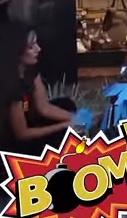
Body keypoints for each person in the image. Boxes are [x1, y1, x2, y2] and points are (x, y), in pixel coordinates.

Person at [0, 25, 78, 156]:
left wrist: (76, 118)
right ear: (17, 51)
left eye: (36, 43)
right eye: (31, 46)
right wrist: (63, 125)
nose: (38, 49)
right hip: (14, 143)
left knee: (67, 105)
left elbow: (44, 107)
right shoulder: (10, 86)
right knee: (62, 134)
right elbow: (22, 134)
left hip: (30, 117)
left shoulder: (31, 70)